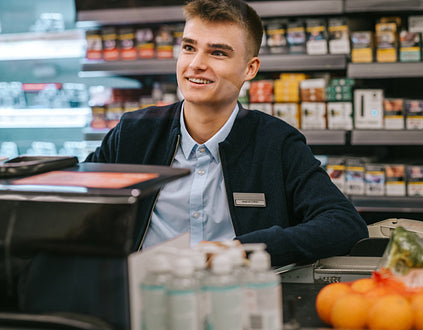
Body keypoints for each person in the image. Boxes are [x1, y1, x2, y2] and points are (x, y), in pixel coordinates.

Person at [85, 0, 368, 266]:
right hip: (144, 297)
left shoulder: (276, 142)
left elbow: (343, 224)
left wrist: (243, 249)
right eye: (188, 47)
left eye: (217, 52)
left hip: (238, 299)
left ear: (250, 68)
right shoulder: (134, 133)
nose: (196, 63)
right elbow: (74, 199)